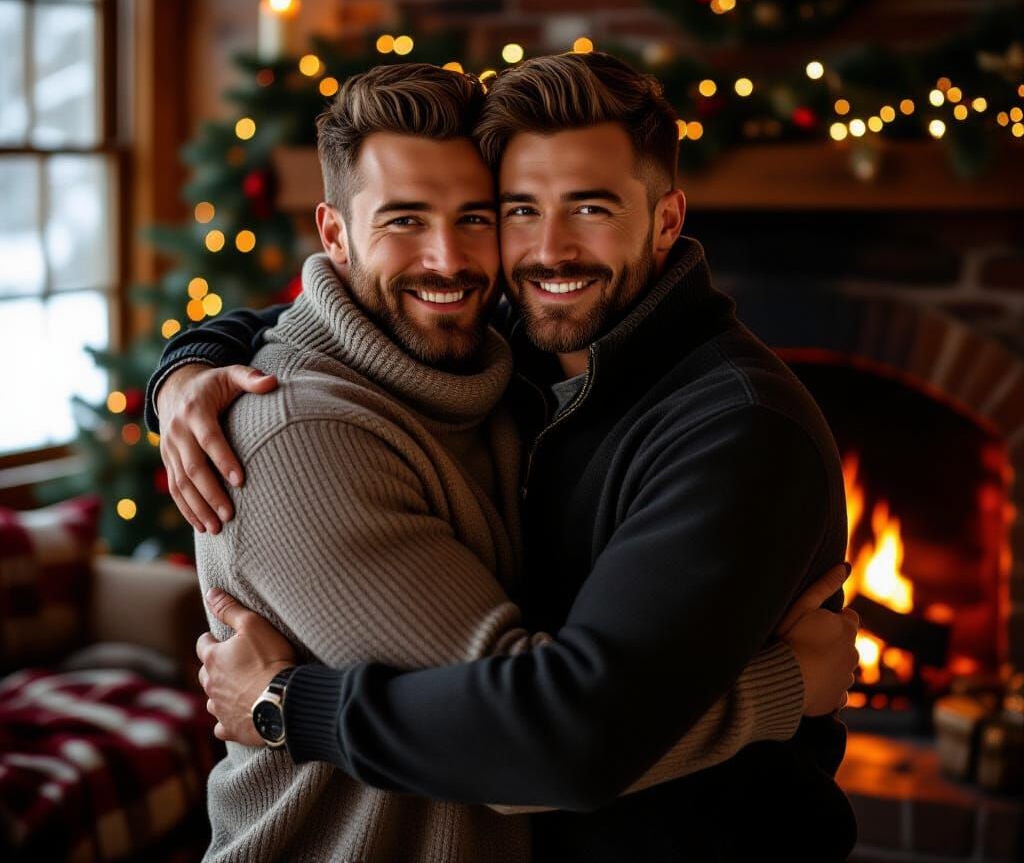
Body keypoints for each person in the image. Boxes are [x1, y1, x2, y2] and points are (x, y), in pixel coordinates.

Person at [150, 54, 859, 862]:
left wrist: (287, 704)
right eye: (520, 209)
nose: (547, 251)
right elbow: (552, 741)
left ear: (666, 221)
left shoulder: (735, 429)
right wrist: (187, 366)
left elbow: (561, 739)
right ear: (334, 236)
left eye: (589, 207)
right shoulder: (438, 380)